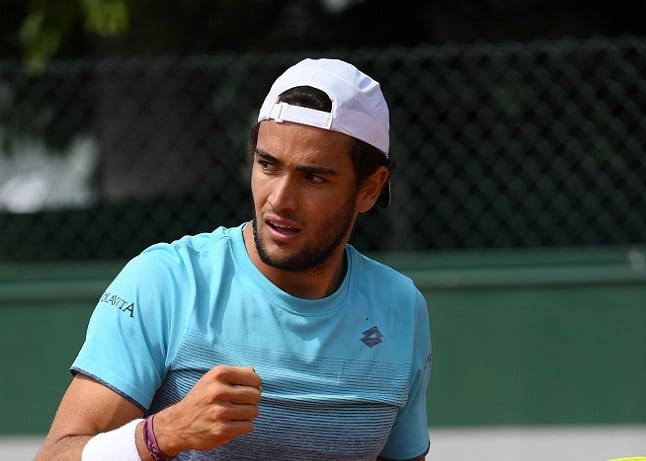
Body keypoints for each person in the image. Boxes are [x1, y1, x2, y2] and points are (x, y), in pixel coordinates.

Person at [34, 58, 432, 461]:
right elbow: (55, 455)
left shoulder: (400, 306)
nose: (280, 199)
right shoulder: (166, 282)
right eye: (267, 165)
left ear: (369, 188)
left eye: (313, 177)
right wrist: (161, 434)